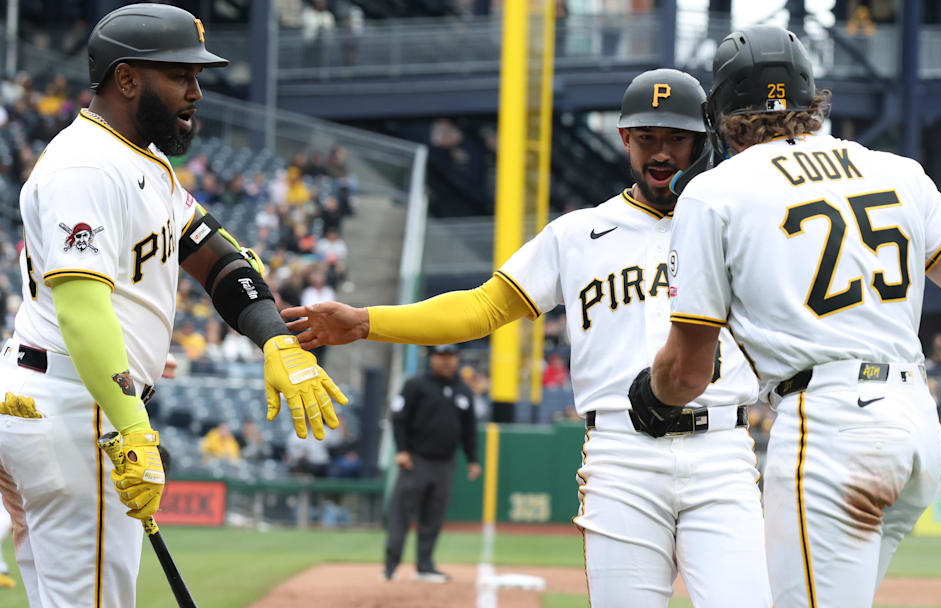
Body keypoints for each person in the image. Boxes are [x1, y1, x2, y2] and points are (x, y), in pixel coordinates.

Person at [283, 69, 771, 607]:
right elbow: (483, 307)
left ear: (702, 142)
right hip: (623, 452)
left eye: (677, 139)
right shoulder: (578, 233)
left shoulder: (736, 222)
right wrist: (366, 321)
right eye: (648, 137)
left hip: (720, 448)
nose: (662, 153)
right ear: (624, 138)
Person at [638, 25, 941, 608]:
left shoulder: (716, 192)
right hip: (915, 427)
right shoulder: (897, 171)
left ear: (723, 114)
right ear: (812, 97)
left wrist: (652, 392)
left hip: (833, 430)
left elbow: (687, 375)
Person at [0, 5, 348, 606]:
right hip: (80, 406)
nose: (196, 91)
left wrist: (274, 336)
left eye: (197, 75)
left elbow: (216, 257)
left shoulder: (145, 160)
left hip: (66, 401)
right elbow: (83, 311)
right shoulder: (85, 164)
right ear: (128, 79)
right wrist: (132, 428)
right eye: (180, 75)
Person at [381, 344, 480, 583]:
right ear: (432, 358)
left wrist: (472, 459)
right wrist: (402, 450)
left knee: (433, 517)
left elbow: (469, 429)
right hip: (415, 460)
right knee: (401, 514)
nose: (446, 361)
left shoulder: (463, 390)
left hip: (445, 463)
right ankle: (390, 566)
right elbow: (399, 418)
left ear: (457, 359)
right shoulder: (416, 385)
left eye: (450, 356)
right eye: (441, 356)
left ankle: (425, 565)